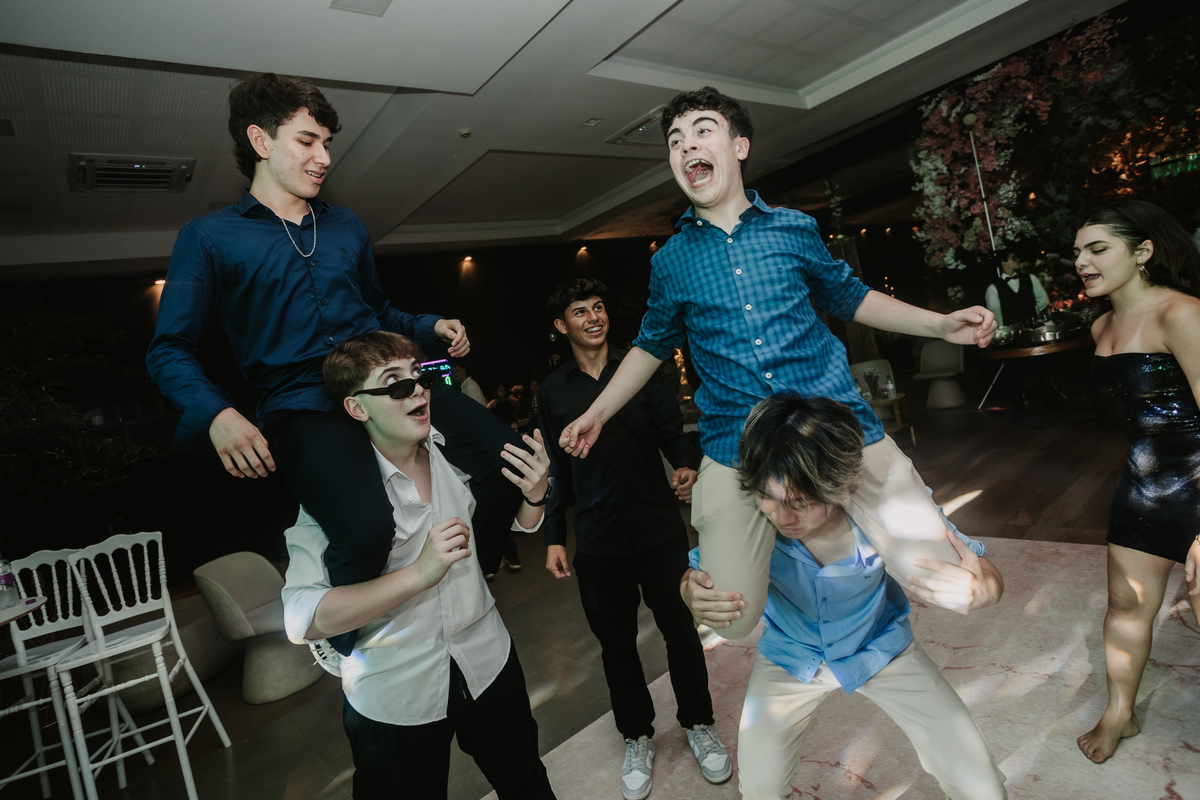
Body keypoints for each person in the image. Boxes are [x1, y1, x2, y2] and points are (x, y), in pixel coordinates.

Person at [558, 86, 996, 640]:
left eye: (702, 131)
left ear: (739, 146)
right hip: (735, 442)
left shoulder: (794, 228)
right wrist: (597, 413)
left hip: (836, 424)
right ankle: (803, 590)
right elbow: (649, 346)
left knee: (955, 587)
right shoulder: (670, 262)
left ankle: (849, 569)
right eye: (675, 140)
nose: (686, 145)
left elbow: (850, 297)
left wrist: (940, 324)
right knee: (731, 619)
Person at [146, 73, 523, 654]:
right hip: (303, 404)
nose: (323, 157)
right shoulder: (210, 237)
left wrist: (430, 326)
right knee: (368, 528)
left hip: (388, 379)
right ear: (260, 140)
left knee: (509, 463)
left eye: (327, 144)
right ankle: (350, 646)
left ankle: (472, 576)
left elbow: (378, 310)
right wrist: (217, 413)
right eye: (307, 141)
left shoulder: (346, 226)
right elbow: (169, 347)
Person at [682, 393, 1007, 800]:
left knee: (980, 783)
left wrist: (985, 590)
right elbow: (698, 572)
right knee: (760, 789)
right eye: (769, 498)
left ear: (840, 485)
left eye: (801, 503)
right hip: (790, 654)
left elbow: (983, 568)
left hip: (881, 647)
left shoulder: (882, 509)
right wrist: (689, 590)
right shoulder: (753, 521)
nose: (783, 518)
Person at [281, 331, 556, 800]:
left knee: (527, 784)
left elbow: (518, 525)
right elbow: (301, 620)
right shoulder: (336, 501)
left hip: (488, 660)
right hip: (396, 694)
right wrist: (416, 575)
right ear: (357, 408)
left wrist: (534, 495)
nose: (418, 391)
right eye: (395, 383)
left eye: (418, 376)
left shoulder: (456, 458)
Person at [537, 278, 728, 800]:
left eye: (599, 307)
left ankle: (699, 724)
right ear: (561, 326)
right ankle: (637, 736)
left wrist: (686, 465)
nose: (594, 317)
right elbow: (556, 470)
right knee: (616, 645)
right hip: (598, 540)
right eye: (580, 311)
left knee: (681, 631)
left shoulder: (640, 370)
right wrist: (554, 535)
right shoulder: (553, 391)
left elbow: (673, 436)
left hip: (658, 528)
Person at [1072, 200, 1200, 764]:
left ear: (1142, 251)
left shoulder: (1182, 313)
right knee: (1125, 604)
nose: (1082, 261)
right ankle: (1120, 713)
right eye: (1078, 252)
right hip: (1143, 487)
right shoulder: (1101, 325)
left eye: (1097, 249)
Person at [984, 249, 1050, 326]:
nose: (1018, 259)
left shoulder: (1030, 278)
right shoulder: (993, 288)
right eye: (1014, 258)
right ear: (1004, 263)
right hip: (1012, 330)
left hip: (1034, 326)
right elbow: (996, 314)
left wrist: (1033, 312)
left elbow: (1043, 300)